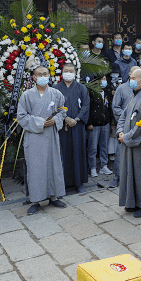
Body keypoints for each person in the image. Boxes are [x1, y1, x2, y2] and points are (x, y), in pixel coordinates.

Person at [15, 66, 69, 215]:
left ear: (49, 75)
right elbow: (21, 116)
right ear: (34, 77)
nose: (43, 76)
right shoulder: (26, 95)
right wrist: (40, 122)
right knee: (36, 168)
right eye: (40, 74)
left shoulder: (56, 93)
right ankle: (35, 200)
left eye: (45, 74)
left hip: (51, 135)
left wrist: (55, 120)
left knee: (53, 164)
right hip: (34, 136)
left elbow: (62, 111)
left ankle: (54, 197)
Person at [117, 68, 141, 217]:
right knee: (130, 172)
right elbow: (123, 115)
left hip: (139, 144)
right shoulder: (134, 96)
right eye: (130, 78)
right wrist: (120, 131)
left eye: (133, 78)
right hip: (129, 142)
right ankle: (132, 202)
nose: (130, 80)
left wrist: (126, 137)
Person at [54, 63, 89, 192]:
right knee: (62, 153)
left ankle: (79, 183)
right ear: (62, 72)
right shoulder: (56, 88)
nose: (68, 73)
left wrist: (76, 119)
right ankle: (62, 183)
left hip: (77, 126)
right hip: (62, 127)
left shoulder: (81, 88)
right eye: (66, 70)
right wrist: (64, 118)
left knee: (78, 152)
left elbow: (86, 105)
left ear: (75, 73)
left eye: (71, 71)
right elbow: (54, 106)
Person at [86, 76, 113, 178]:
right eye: (102, 79)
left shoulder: (106, 92)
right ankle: (92, 168)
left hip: (105, 123)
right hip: (94, 124)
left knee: (104, 146)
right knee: (92, 147)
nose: (104, 81)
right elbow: (87, 108)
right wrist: (88, 123)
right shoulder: (91, 93)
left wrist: (110, 121)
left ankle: (103, 166)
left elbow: (109, 107)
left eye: (105, 79)